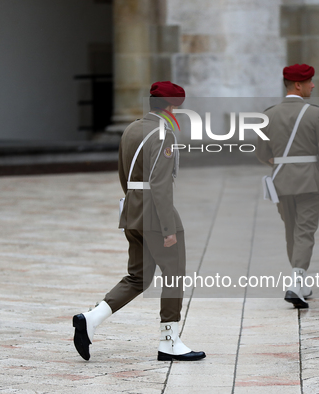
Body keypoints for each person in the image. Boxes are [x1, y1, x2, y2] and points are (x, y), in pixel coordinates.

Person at [72, 81, 205, 362]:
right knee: (174, 273)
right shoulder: (163, 134)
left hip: (132, 210)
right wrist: (168, 228)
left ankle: (91, 318)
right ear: (171, 107)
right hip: (157, 214)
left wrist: (134, 205)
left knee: (138, 277)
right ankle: (169, 341)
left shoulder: (131, 129)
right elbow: (160, 184)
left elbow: (124, 173)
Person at [256, 64, 319, 309]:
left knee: (292, 232)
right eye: (310, 81)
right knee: (305, 232)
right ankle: (296, 283)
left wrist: (278, 161)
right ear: (298, 85)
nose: (313, 85)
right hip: (308, 180)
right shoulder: (315, 113)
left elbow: (262, 152)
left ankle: (301, 282)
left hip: (281, 180)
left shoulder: (269, 113)